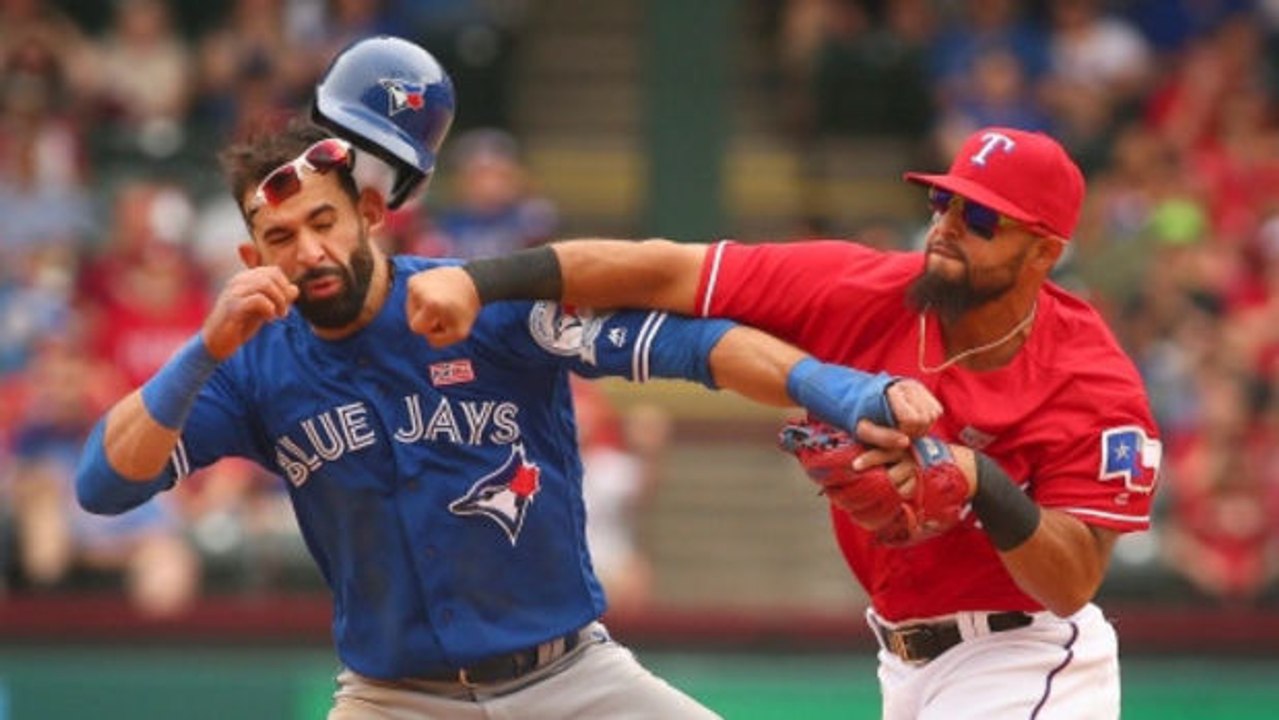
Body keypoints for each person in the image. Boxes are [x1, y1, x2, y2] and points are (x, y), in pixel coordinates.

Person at [73, 95, 944, 720]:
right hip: (391, 698)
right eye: (280, 237)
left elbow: (691, 345)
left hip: (570, 684)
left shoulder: (473, 304)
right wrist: (203, 347)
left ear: (371, 214)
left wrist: (837, 387)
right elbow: (103, 485)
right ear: (249, 252)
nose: (309, 249)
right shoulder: (248, 364)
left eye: (325, 221)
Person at [405, 126, 1163, 719]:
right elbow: (667, 269)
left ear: (1043, 251)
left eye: (982, 216)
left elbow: (1071, 582)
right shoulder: (862, 287)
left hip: (1024, 657)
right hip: (904, 659)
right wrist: (479, 280)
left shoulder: (1089, 381)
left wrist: (977, 481)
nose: (948, 225)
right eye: (943, 202)